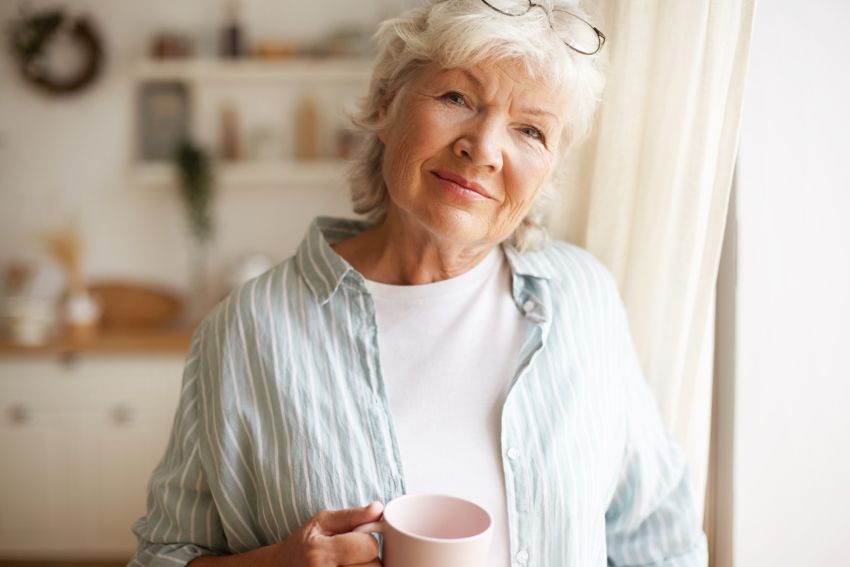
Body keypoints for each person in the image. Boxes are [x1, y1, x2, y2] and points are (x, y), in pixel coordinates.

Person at [130, 1, 708, 566]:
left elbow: (659, 540)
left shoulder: (586, 298)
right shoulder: (247, 328)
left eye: (530, 130)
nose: (483, 148)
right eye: (458, 97)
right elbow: (164, 556)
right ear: (386, 103)